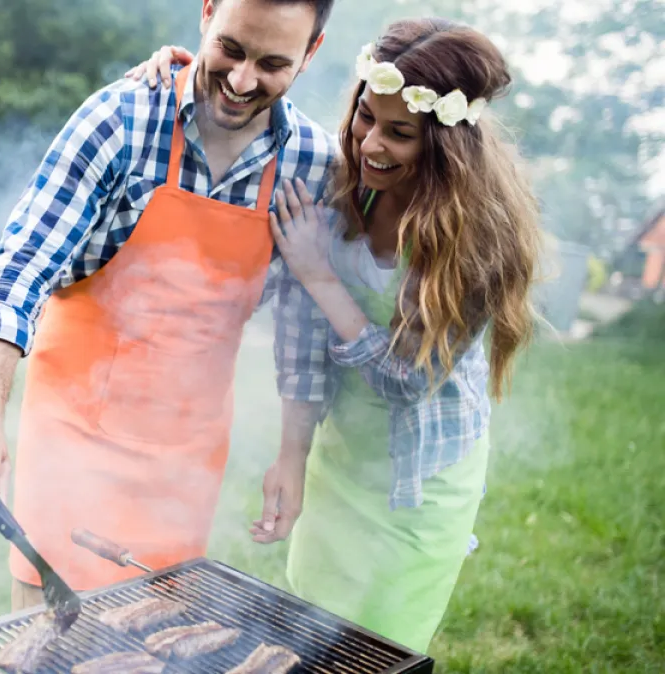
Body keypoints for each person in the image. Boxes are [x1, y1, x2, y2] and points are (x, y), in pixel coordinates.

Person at [129, 17, 542, 652]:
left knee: (376, 648)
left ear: (445, 146)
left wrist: (320, 273)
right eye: (364, 118)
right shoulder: (348, 186)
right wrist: (293, 456)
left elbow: (407, 383)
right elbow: (300, 328)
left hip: (416, 489)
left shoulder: (476, 241)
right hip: (342, 459)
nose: (370, 143)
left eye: (399, 134)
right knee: (303, 636)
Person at [0, 0, 340, 612]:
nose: (242, 81)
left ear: (312, 53)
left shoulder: (311, 160)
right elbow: (21, 268)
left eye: (273, 63)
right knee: (48, 632)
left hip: (189, 449)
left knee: (157, 635)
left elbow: (302, 324)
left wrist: (292, 454)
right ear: (206, 13)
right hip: (72, 426)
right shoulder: (120, 118)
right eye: (231, 48)